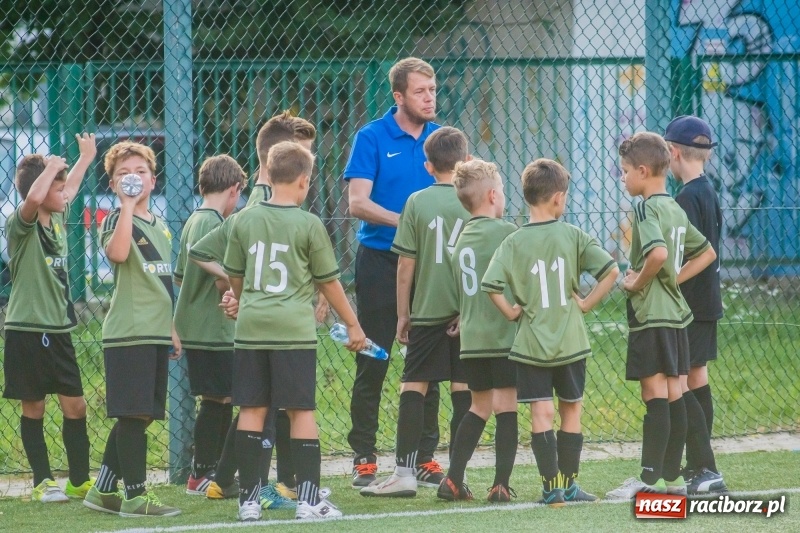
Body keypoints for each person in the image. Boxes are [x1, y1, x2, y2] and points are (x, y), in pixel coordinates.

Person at [223, 141, 366, 521]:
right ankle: (309, 501)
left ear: (268, 176)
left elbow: (234, 276)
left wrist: (246, 301)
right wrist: (353, 324)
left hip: (252, 329)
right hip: (293, 332)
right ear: (304, 180)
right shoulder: (309, 224)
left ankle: (248, 502)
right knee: (300, 411)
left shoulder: (243, 219)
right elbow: (329, 282)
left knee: (252, 409)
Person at [189, 111, 323, 505]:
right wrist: (243, 290)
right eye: (302, 153)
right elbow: (203, 251)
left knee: (261, 406)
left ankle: (233, 480)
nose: (308, 163)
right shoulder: (266, 202)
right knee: (263, 406)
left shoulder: (274, 201)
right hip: (272, 325)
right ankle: (260, 489)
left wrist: (242, 290)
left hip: (265, 321)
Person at [482, 159, 619, 506]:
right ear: (558, 198)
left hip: (531, 345)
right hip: (571, 342)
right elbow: (611, 271)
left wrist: (512, 312)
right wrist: (585, 304)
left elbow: (491, 285)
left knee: (541, 413)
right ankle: (571, 486)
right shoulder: (573, 235)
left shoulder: (513, 242)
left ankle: (551, 489)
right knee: (571, 409)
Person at [344, 56, 444, 488]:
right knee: (373, 359)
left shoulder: (442, 139)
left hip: (430, 265)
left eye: (433, 89)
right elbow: (357, 203)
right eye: (421, 91)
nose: (430, 97)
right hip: (381, 261)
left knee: (429, 361)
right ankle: (364, 457)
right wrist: (408, 222)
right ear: (399, 96)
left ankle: (424, 457)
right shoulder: (371, 136)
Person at [360, 127, 471, 498]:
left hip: (426, 311)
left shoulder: (416, 201)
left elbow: (405, 265)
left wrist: (403, 314)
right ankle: (456, 475)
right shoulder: (473, 201)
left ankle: (405, 473)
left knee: (414, 384)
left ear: (427, 166)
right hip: (464, 313)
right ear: (467, 161)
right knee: (462, 387)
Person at [606, 132, 717, 500]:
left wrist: (636, 281)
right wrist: (672, 279)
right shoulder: (674, 207)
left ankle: (648, 480)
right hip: (676, 315)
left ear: (642, 171)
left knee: (654, 394)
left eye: (625, 171)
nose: (623, 178)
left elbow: (656, 255)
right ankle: (672, 480)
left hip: (651, 314)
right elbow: (706, 253)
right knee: (673, 393)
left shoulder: (645, 208)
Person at [83, 141, 182, 517]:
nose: (133, 178)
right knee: (132, 415)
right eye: (123, 174)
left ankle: (103, 491)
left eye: (140, 172)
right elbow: (118, 253)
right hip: (129, 332)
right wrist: (125, 206)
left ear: (153, 180)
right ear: (112, 184)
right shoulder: (116, 219)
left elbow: (162, 283)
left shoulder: (160, 226)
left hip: (155, 331)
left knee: (141, 414)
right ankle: (135, 497)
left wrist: (171, 327)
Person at [2, 135, 96, 502]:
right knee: (35, 405)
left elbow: (67, 189)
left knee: (76, 404)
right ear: (42, 190)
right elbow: (32, 200)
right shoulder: (20, 224)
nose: (65, 194)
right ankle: (43, 481)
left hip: (59, 329)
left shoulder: (56, 218)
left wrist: (85, 159)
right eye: (57, 187)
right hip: (27, 329)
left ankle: (79, 480)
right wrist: (52, 167)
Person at [438, 159, 519, 503]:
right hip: (503, 335)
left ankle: (453, 479)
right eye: (502, 190)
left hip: (471, 340)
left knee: (478, 406)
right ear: (492, 196)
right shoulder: (508, 233)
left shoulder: (459, 241)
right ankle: (501, 485)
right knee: (507, 407)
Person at [173, 155, 245, 496]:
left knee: (221, 397)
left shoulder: (194, 219)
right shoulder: (214, 223)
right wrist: (236, 283)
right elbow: (218, 277)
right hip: (212, 328)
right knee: (219, 398)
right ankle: (202, 472)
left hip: (198, 326)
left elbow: (180, 277)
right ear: (234, 189)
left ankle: (214, 469)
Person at [665, 115, 727, 494]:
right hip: (707, 302)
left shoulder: (686, 197)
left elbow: (697, 254)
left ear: (673, 152)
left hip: (691, 304)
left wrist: (670, 280)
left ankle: (705, 466)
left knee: (680, 383)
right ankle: (698, 464)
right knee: (696, 377)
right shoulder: (708, 190)